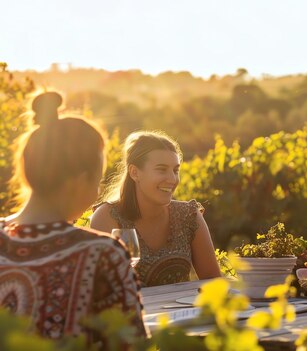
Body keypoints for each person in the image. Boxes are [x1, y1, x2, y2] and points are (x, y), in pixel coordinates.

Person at [0, 91, 147, 340]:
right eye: (98, 181)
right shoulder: (102, 255)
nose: (97, 192)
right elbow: (131, 344)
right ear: (79, 181)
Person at [90, 130, 221, 287]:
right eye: (161, 169)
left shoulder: (189, 215)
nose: (172, 179)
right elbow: (106, 290)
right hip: (133, 311)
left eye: (175, 170)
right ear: (134, 172)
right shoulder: (108, 217)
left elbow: (214, 283)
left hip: (183, 311)